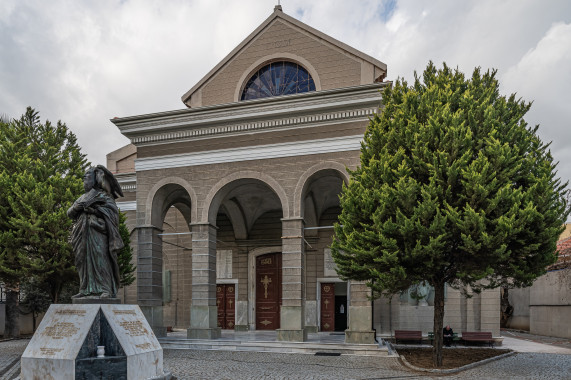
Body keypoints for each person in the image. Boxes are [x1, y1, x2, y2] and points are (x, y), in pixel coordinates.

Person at [68, 165, 124, 299]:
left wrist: (95, 211)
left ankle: (106, 289)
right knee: (82, 261)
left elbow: (113, 215)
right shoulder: (82, 197)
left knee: (101, 258)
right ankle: (85, 289)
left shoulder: (104, 196)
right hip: (82, 233)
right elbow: (69, 213)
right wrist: (76, 207)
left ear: (95, 179)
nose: (84, 182)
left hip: (97, 232)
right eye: (83, 179)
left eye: (86, 178)